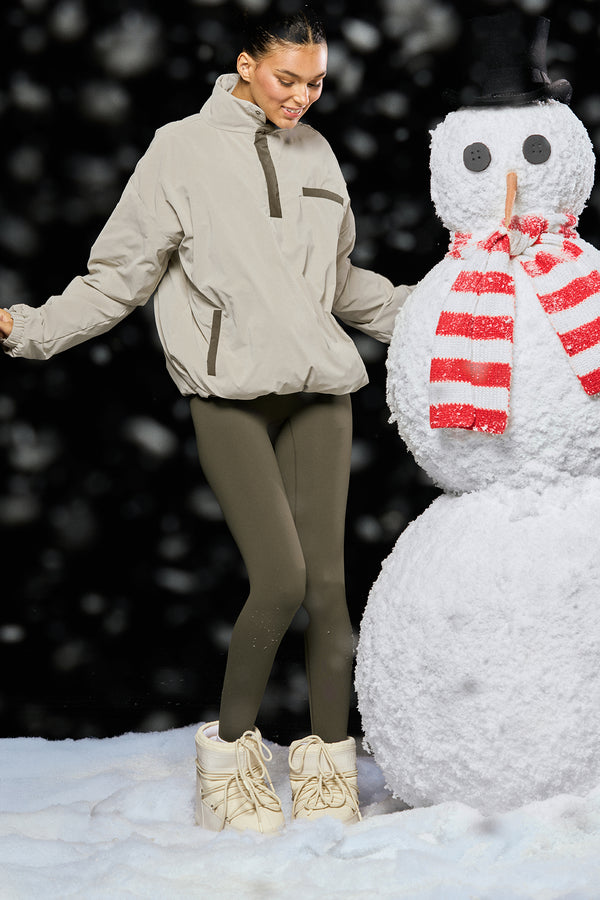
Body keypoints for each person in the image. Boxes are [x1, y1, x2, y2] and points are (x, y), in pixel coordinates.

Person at [0, 6, 411, 834]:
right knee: (281, 580)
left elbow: (340, 286)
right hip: (230, 399)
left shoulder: (321, 154)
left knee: (331, 592)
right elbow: (120, 275)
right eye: (287, 78)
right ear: (246, 64)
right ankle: (229, 762)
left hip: (321, 394)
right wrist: (31, 329)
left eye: (317, 82)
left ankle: (329, 767)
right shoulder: (180, 151)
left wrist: (442, 313)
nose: (302, 96)